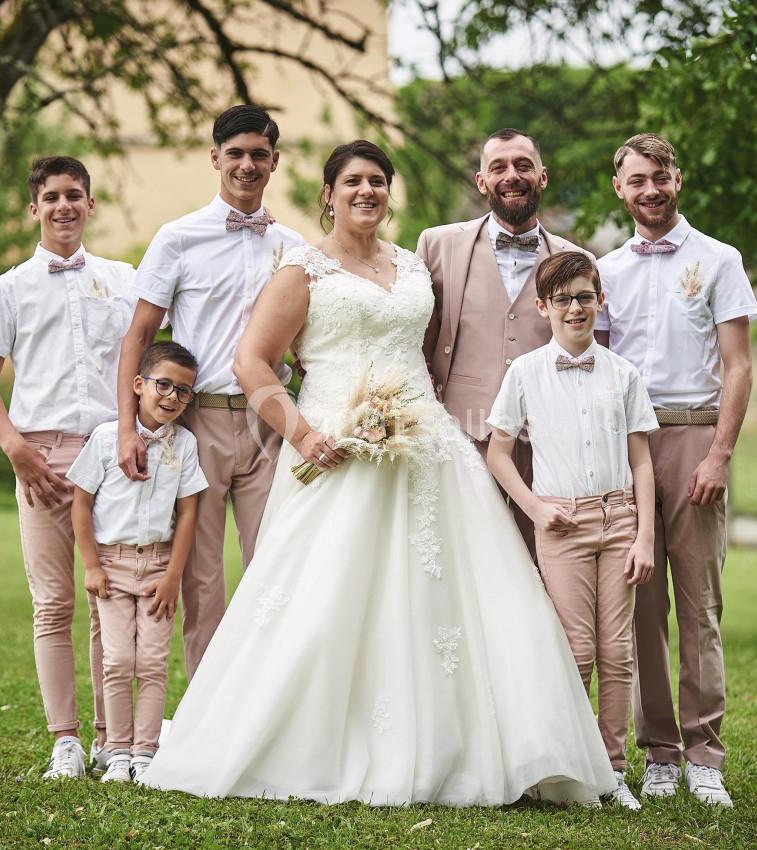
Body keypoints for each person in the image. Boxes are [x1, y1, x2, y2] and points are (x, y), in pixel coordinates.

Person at [139, 141, 615, 806]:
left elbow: (421, 353)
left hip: (429, 450)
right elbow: (253, 361)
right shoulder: (301, 268)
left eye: (378, 182)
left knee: (457, 600)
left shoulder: (413, 264)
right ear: (328, 195)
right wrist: (303, 433)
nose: (367, 192)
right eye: (353, 181)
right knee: (324, 600)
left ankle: (486, 748)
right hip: (334, 450)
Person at [597, 133, 757, 807]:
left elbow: (740, 366)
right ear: (620, 189)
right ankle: (658, 751)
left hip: (695, 438)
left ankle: (704, 755)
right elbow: (597, 368)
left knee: (700, 606)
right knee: (640, 607)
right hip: (628, 445)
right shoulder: (602, 269)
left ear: (678, 179)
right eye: (637, 180)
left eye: (660, 177)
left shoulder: (718, 259)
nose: (650, 190)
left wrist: (719, 454)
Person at [117, 105, 305, 678]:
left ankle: (267, 704)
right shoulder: (177, 238)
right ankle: (206, 711)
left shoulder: (295, 247)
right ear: (215, 157)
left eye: (259, 155)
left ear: (274, 162)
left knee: (274, 563)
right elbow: (141, 335)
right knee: (201, 577)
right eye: (237, 153)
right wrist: (129, 426)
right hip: (194, 426)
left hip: (270, 424)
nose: (247, 165)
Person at [0, 155, 136, 778]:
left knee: (109, 600)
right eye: (52, 196)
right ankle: (63, 740)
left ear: (91, 205)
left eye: (76, 195)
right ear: (33, 207)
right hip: (37, 455)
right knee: (53, 603)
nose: (64, 206)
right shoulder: (9, 288)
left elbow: (153, 360)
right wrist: (15, 448)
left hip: (111, 457)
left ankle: (109, 738)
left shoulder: (124, 278)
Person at [486, 251, 659, 810]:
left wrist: (645, 537)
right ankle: (567, 765)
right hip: (561, 522)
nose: (575, 308)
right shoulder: (525, 373)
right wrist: (535, 507)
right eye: (562, 299)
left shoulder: (624, 373)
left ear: (599, 300)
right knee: (576, 649)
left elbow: (642, 461)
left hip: (619, 519)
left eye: (584, 296)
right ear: (543, 307)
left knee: (617, 650)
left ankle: (613, 771)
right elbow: (499, 452)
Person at [417, 128, 593, 559]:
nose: (511, 175)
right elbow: (415, 338)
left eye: (522, 165)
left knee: (540, 569)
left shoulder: (575, 258)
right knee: (464, 564)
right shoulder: (436, 244)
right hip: (462, 435)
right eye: (498, 167)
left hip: (548, 444)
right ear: (482, 182)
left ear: (543, 177)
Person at [67, 342, 207, 783]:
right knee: (116, 661)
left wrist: (172, 577)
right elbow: (80, 505)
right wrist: (91, 566)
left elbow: (187, 515)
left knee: (150, 661)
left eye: (183, 391)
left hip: (158, 567)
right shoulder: (107, 439)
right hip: (111, 565)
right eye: (163, 384)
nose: (171, 397)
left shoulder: (185, 444)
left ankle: (145, 753)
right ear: (138, 384)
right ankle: (116, 751)